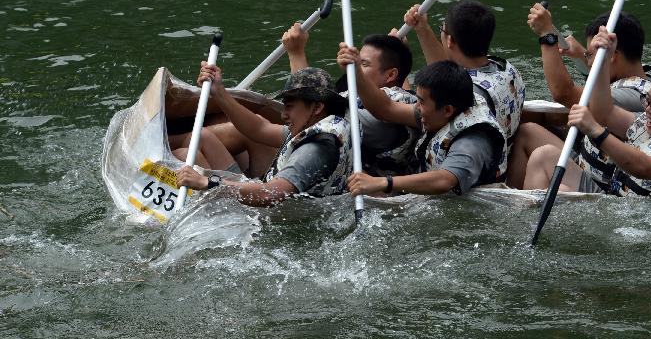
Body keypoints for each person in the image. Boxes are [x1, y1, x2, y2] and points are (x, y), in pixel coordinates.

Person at [524, 28, 651, 201]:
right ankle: (528, 226)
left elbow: (643, 167)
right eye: (648, 100)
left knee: (560, 196)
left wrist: (596, 131)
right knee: (543, 156)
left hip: (643, 226)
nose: (648, 110)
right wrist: (604, 59)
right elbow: (604, 113)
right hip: (614, 199)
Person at [506, 8, 651, 188]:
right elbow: (603, 75)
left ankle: (521, 208)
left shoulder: (628, 96)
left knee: (542, 157)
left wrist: (547, 35)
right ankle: (513, 192)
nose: (590, 62)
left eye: (593, 54)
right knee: (527, 131)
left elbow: (564, 92)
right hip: (585, 163)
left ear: (612, 55)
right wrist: (583, 54)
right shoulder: (647, 73)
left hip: (601, 186)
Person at [337, 46, 506, 196]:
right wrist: (357, 71)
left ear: (447, 110)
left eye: (422, 102)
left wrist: (383, 183)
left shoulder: (471, 143)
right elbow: (385, 108)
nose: (416, 107)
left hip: (462, 212)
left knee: (372, 191)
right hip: (422, 182)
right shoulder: (443, 108)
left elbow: (444, 180)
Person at [174, 67, 352, 206]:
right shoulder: (325, 125)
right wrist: (219, 92)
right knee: (202, 138)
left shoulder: (314, 150)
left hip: (258, 214)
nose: (283, 115)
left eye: (289, 107)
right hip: (268, 194)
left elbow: (270, 195)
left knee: (184, 155)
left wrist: (207, 183)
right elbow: (259, 128)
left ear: (317, 108)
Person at [282, 23, 419, 176]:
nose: (354, 68)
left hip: (372, 192)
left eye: (363, 64)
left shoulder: (400, 103)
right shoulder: (354, 95)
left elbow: (314, 111)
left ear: (390, 75)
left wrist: (296, 53)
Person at [402, 0, 525, 144]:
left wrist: (401, 60)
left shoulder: (465, 96)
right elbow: (443, 73)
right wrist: (422, 29)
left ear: (450, 41)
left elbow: (385, 108)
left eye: (442, 29)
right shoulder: (507, 69)